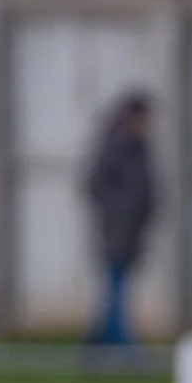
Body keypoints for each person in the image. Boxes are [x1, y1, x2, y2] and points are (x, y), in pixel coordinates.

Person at [82, 90, 156, 346]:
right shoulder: (115, 145)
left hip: (131, 234)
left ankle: (99, 343)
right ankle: (121, 345)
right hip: (115, 233)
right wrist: (123, 210)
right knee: (115, 290)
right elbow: (94, 184)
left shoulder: (139, 147)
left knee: (117, 290)